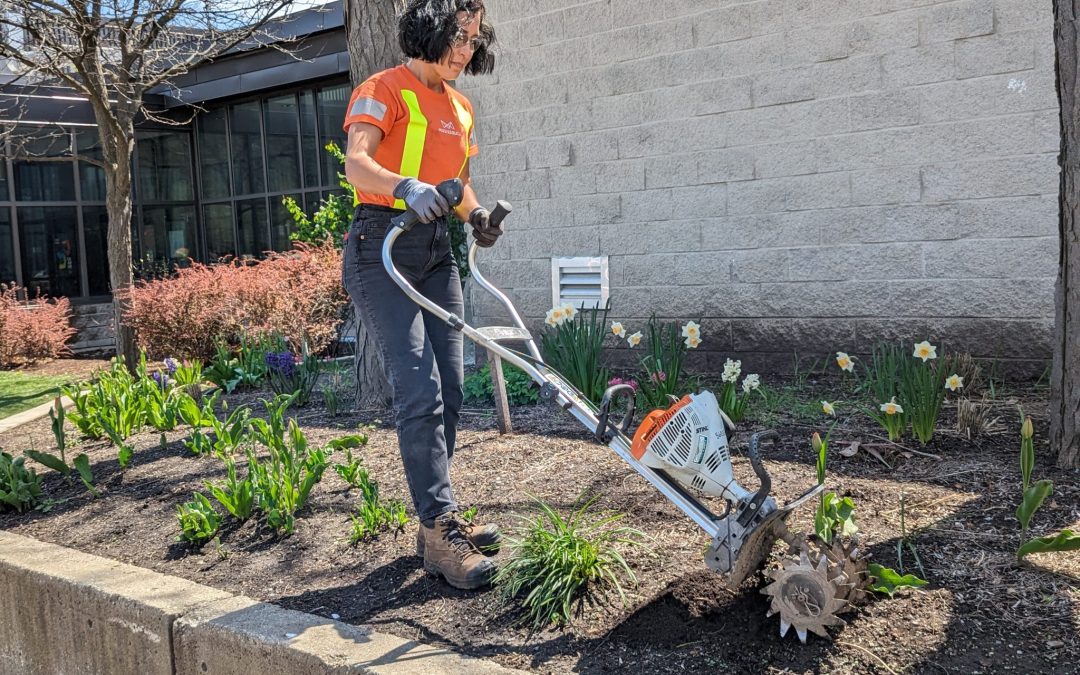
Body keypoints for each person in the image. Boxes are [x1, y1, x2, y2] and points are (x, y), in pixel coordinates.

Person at [341, 0, 504, 590]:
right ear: (431, 30)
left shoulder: (460, 106)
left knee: (454, 390)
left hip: (436, 253)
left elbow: (457, 186)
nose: (467, 48)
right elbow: (358, 164)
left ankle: (436, 520)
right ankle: (438, 531)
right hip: (380, 247)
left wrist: (477, 214)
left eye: (475, 38)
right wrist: (404, 186)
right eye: (459, 36)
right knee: (421, 391)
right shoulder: (382, 88)